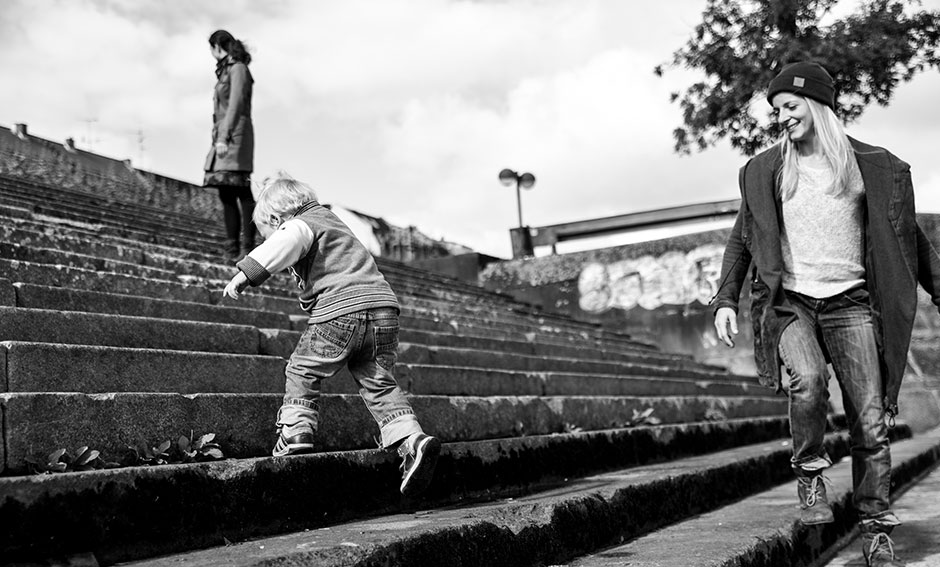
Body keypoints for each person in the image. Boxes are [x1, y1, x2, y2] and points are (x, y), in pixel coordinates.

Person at [712, 61, 940, 567]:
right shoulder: (765, 169)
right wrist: (725, 299)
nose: (782, 118)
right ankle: (810, 471)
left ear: (817, 104)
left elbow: (911, 242)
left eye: (789, 107)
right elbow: (742, 238)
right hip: (791, 303)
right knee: (809, 380)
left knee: (872, 421)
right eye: (776, 110)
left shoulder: (874, 167)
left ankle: (876, 528)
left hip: (851, 302)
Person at [222, 173, 441, 496]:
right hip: (383, 311)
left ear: (275, 218)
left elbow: (284, 243)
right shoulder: (335, 223)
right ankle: (412, 440)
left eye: (267, 232)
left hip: (341, 311)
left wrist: (246, 274)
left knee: (302, 368)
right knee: (378, 381)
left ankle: (296, 431)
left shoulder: (301, 223)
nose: (271, 236)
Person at [204, 29, 257, 261]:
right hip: (223, 136)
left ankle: (248, 246)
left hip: (235, 137)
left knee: (241, 190)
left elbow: (234, 105)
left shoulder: (238, 69)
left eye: (211, 49)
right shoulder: (226, 69)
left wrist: (224, 137)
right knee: (226, 191)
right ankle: (232, 246)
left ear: (217, 46)